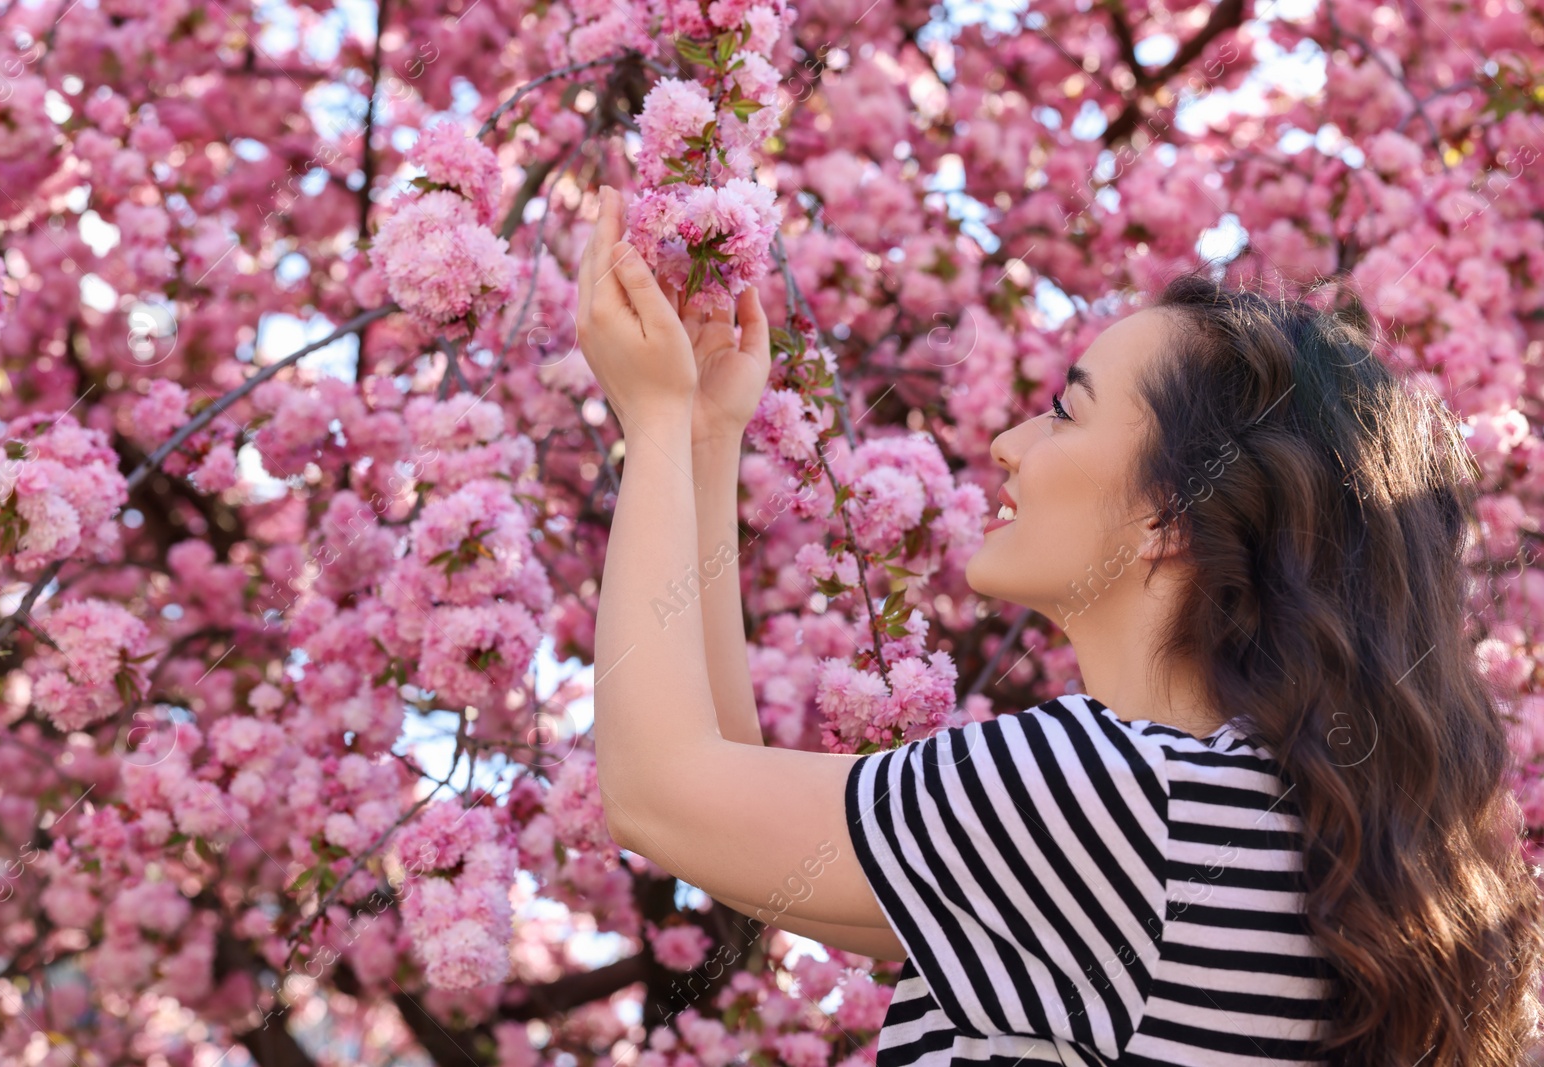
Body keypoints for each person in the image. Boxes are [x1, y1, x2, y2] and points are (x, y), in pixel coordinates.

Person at [575, 183, 1544, 1067]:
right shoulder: (1275, 830)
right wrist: (706, 437)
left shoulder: (1123, 802)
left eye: (1061, 413)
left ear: (1172, 515)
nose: (1004, 444)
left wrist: (654, 420)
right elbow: (735, 830)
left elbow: (661, 793)